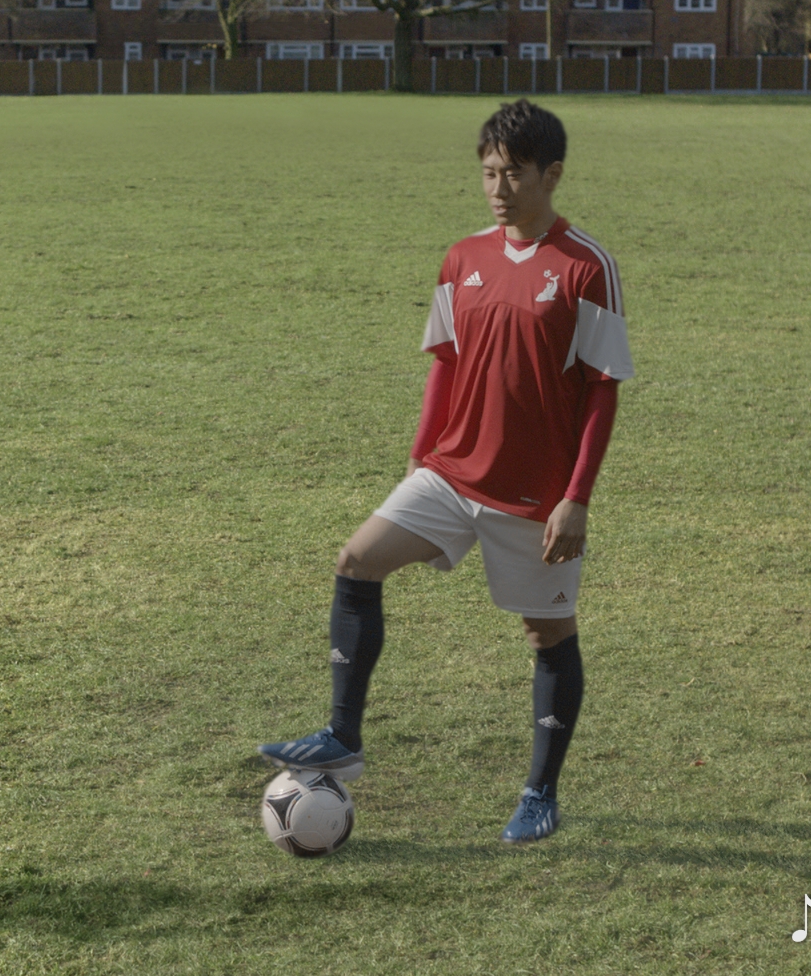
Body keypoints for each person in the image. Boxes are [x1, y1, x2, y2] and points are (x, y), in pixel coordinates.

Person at [256, 100, 633, 844]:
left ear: (551, 175)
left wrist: (576, 499)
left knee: (547, 632)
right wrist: (420, 454)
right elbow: (445, 365)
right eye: (489, 173)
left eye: (513, 175)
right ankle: (342, 734)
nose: (498, 189)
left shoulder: (587, 267)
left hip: (533, 496)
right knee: (357, 559)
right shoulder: (462, 258)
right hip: (450, 473)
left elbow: (601, 389)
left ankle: (539, 793)